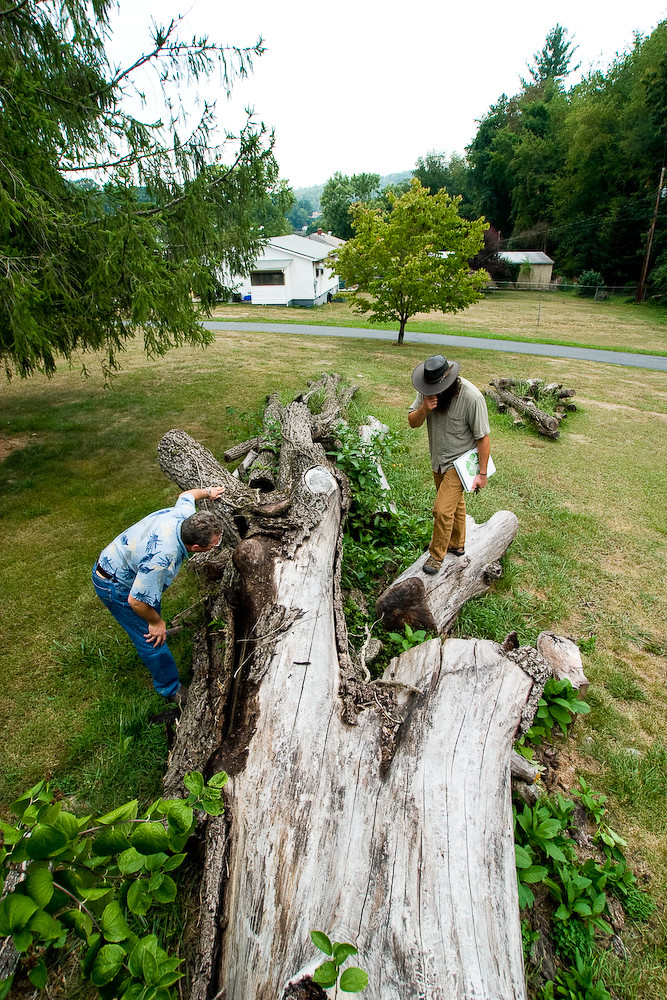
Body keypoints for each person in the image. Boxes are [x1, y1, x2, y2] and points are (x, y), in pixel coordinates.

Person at [92, 487, 225, 704]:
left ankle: (159, 630)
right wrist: (155, 622)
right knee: (150, 637)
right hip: (115, 584)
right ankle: (170, 688)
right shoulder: (161, 559)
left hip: (121, 561)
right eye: (213, 545)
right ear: (194, 547)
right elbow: (136, 601)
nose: (216, 547)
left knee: (150, 602)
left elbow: (187, 496)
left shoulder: (184, 517)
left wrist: (208, 492)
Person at [408, 355, 491, 575]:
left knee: (442, 509)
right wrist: (425, 408)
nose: (435, 391)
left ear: (451, 382)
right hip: (438, 460)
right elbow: (412, 422)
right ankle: (457, 543)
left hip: (461, 463)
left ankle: (436, 556)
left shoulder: (472, 397)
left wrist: (481, 474)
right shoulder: (427, 390)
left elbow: (483, 438)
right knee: (455, 503)